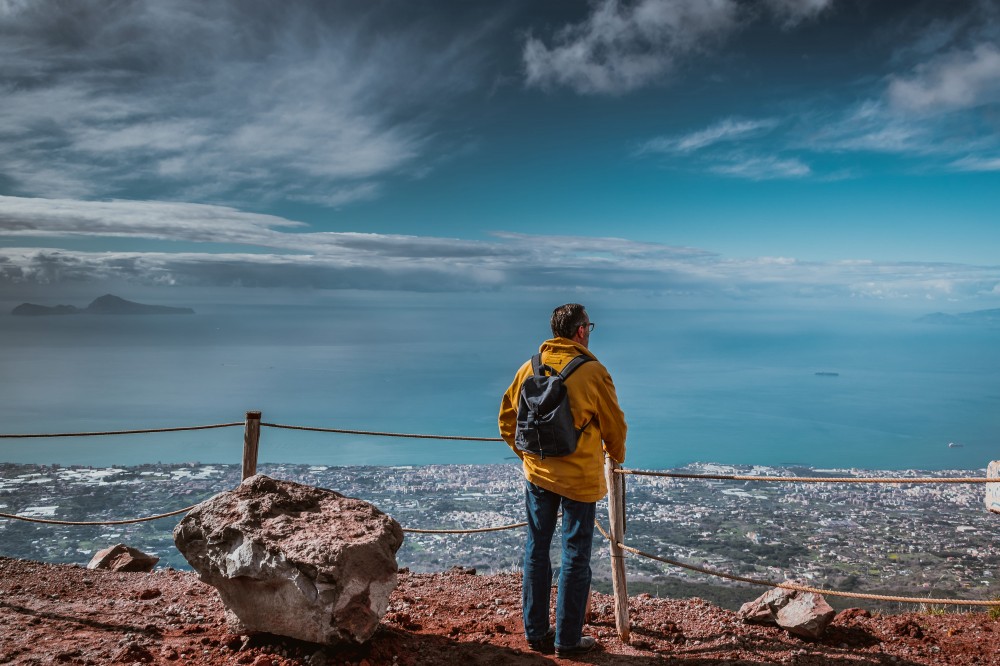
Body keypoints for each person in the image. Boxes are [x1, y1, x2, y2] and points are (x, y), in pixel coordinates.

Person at [498, 303, 627, 657]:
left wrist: (526, 456)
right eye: (590, 328)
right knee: (575, 555)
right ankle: (567, 642)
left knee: (536, 549)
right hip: (580, 481)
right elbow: (615, 427)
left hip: (539, 474)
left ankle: (535, 634)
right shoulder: (593, 372)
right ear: (581, 331)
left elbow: (507, 419)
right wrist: (617, 456)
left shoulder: (530, 367)